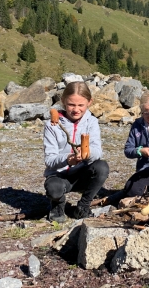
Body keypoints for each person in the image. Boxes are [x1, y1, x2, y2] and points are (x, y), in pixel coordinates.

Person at [43, 81, 109, 223]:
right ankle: (58, 205)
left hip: (82, 174)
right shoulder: (52, 125)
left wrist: (87, 153)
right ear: (63, 101)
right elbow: (49, 160)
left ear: (89, 102)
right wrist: (68, 159)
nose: (76, 109)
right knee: (54, 188)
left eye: (81, 105)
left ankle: (83, 206)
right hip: (59, 175)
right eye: (71, 104)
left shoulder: (91, 122)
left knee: (102, 167)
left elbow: (97, 152)